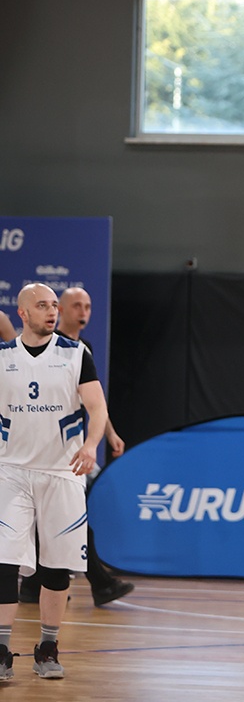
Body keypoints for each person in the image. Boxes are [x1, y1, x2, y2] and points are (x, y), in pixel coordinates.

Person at [0, 283, 109, 681]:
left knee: (56, 568)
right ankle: (1, 648)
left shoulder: (75, 354)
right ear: (23, 313)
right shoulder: (3, 357)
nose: (51, 311)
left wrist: (92, 445)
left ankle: (47, 647)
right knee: (4, 562)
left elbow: (97, 408)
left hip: (62, 473)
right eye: (42, 305)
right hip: (11, 471)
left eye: (53, 305)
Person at [18, 287, 135, 607]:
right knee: (45, 519)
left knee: (65, 518)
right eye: (76, 306)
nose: (83, 312)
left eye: (88, 306)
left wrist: (107, 434)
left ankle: (47, 585)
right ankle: (89, 583)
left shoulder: (81, 350)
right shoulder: (35, 346)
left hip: (67, 453)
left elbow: (93, 401)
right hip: (34, 452)